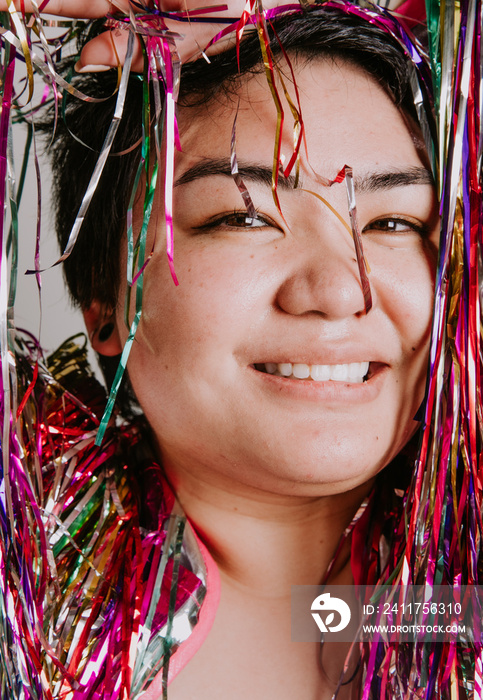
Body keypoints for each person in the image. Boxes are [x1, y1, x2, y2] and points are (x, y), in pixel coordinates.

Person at [0, 1, 479, 699]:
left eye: (394, 221)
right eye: (241, 216)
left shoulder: (445, 611)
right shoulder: (29, 556)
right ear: (104, 296)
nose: (337, 289)